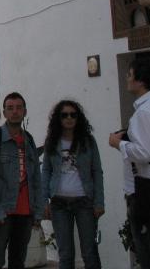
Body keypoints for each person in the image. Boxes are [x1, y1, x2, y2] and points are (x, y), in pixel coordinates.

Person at [0, 92, 43, 269]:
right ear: (4, 112)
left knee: (18, 261)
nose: (15, 111)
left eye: (19, 107)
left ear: (25, 111)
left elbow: (36, 178)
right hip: (3, 212)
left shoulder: (29, 140)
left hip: (25, 212)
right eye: (10, 108)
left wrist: (37, 211)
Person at [41, 100, 103, 269]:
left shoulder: (88, 142)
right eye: (64, 115)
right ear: (58, 119)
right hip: (59, 202)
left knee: (89, 251)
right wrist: (44, 200)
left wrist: (99, 202)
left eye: (73, 115)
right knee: (65, 253)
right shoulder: (52, 142)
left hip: (84, 201)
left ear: (78, 118)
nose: (69, 118)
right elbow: (46, 170)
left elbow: (97, 172)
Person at [109, 57, 150, 269]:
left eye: (129, 75)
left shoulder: (145, 112)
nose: (127, 79)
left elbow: (145, 153)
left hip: (149, 189)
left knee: (149, 250)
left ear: (140, 80)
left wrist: (118, 143)